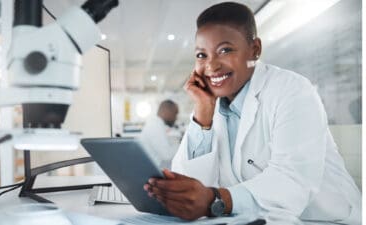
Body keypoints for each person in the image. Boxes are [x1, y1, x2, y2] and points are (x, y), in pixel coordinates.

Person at [143, 2, 361, 224]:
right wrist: (203, 114)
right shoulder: (211, 107)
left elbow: (292, 181)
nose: (211, 66)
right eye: (201, 55)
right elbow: (193, 187)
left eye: (225, 50)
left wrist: (215, 199)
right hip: (256, 219)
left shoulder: (292, 90)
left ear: (254, 49)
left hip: (325, 219)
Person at [139, 99, 180, 169]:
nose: (176, 118)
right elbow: (167, 155)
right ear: (166, 111)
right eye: (175, 113)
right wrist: (181, 145)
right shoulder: (155, 126)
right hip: (151, 171)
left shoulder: (157, 124)